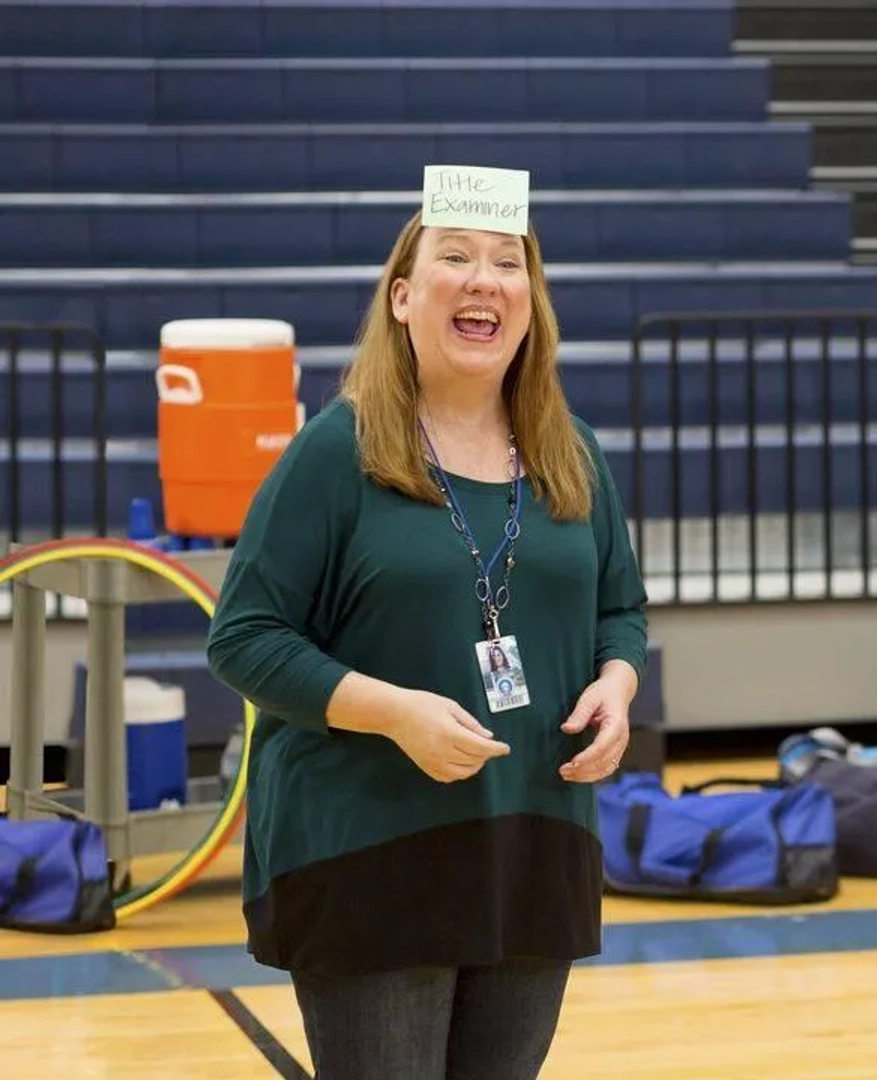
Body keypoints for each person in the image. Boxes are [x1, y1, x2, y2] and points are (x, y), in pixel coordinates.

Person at [206, 168, 649, 1079]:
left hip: (535, 845)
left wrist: (618, 683)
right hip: (373, 852)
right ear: (403, 298)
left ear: (532, 302)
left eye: (508, 262)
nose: (486, 279)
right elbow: (244, 636)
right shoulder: (339, 448)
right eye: (456, 258)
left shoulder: (574, 451)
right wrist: (392, 711)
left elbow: (620, 611)